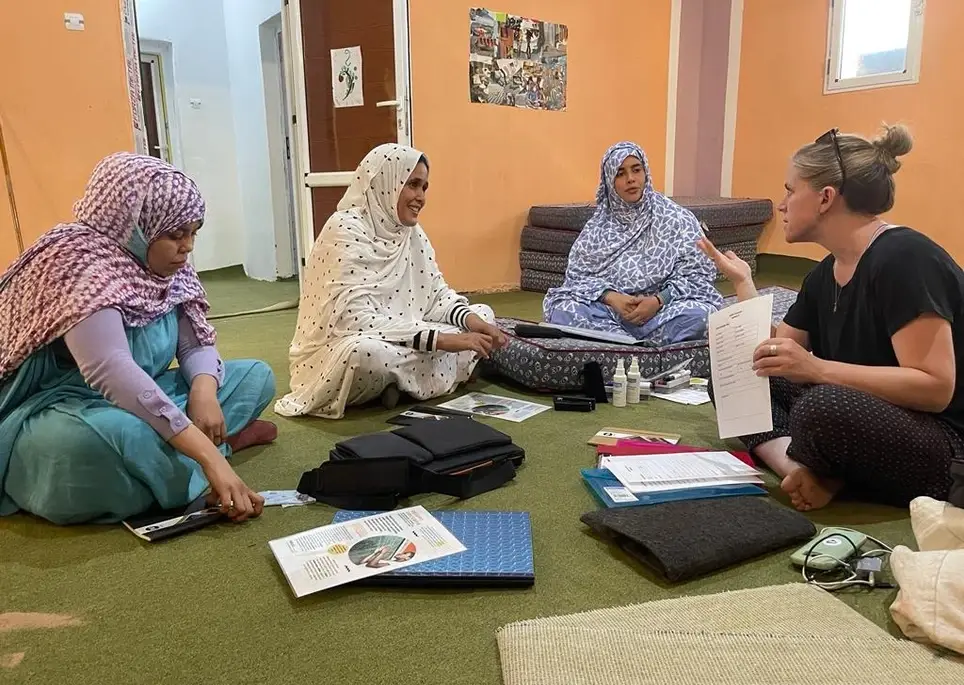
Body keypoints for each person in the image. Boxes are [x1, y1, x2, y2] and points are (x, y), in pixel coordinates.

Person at [0, 153, 277, 525]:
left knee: (255, 376)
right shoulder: (79, 264)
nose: (188, 246)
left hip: (144, 394)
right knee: (90, 447)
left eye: (194, 232)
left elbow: (195, 343)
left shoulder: (165, 265)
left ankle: (173, 461)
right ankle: (214, 451)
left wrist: (203, 393)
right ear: (135, 226)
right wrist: (208, 458)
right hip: (67, 406)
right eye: (175, 234)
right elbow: (112, 371)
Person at [701, 124, 964, 511]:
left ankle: (823, 468)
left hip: (946, 443)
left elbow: (936, 388)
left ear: (825, 198)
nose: (782, 204)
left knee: (821, 409)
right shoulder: (824, 273)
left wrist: (817, 368)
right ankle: (800, 470)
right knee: (735, 370)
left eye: (791, 190)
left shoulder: (907, 259)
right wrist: (743, 284)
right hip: (867, 416)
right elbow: (779, 354)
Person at [275, 143, 507, 419]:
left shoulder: (412, 233)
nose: (421, 197)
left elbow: (435, 297)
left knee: (484, 313)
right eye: (413, 185)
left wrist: (474, 323)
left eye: (424, 187)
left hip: (406, 334)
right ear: (386, 183)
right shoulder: (345, 229)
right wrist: (442, 341)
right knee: (365, 355)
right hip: (346, 344)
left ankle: (397, 385)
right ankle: (428, 378)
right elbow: (354, 320)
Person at [544, 141, 723, 345]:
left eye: (636, 170)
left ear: (645, 173)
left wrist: (658, 300)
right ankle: (637, 347)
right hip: (610, 312)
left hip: (662, 312)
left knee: (701, 316)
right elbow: (577, 279)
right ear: (610, 182)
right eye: (620, 173)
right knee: (563, 310)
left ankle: (617, 346)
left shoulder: (675, 218)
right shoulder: (597, 228)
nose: (631, 179)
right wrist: (612, 297)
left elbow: (698, 273)